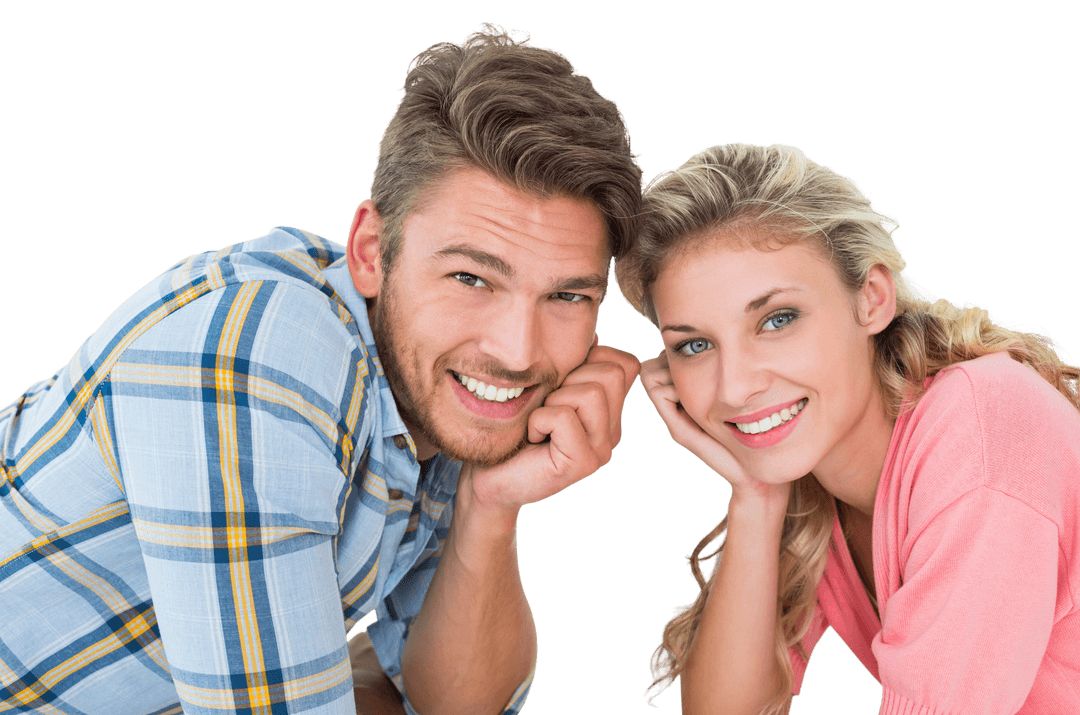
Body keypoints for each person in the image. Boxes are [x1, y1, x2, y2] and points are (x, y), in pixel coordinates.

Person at [0, 24, 642, 715]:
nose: (517, 351)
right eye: (471, 277)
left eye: (567, 296)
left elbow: (456, 704)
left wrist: (489, 503)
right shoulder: (259, 357)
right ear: (370, 250)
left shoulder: (424, 394)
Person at [614, 142, 1080, 714]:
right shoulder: (821, 479)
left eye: (776, 320)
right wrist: (757, 495)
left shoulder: (979, 432)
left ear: (872, 300)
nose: (734, 388)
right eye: (695, 345)